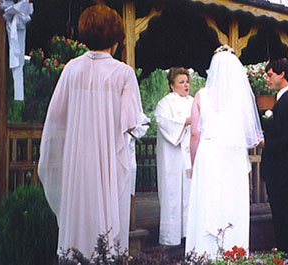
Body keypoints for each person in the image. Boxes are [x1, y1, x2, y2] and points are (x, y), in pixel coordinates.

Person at [38, 5, 149, 256]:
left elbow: (56, 116)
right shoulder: (123, 73)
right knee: (106, 216)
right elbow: (131, 122)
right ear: (116, 36)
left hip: (77, 157)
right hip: (108, 157)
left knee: (79, 211)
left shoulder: (71, 69)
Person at [185, 45, 264, 258]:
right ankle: (234, 252)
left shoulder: (202, 95)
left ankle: (203, 254)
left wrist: (193, 164)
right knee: (232, 202)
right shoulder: (241, 98)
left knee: (207, 201)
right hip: (233, 156)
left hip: (209, 153)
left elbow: (194, 134)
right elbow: (249, 133)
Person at [260, 58, 288, 256]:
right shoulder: (283, 99)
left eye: (270, 75)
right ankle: (285, 255)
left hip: (283, 170)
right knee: (280, 216)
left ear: (282, 74)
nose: (267, 79)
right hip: (278, 169)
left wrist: (266, 142)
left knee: (285, 217)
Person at [155, 67, 193, 246]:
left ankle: (189, 234)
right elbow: (163, 122)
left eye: (187, 81)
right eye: (181, 82)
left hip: (191, 157)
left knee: (190, 194)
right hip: (173, 157)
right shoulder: (165, 103)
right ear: (172, 85)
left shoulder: (195, 102)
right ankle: (171, 238)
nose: (186, 85)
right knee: (172, 193)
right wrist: (186, 121)